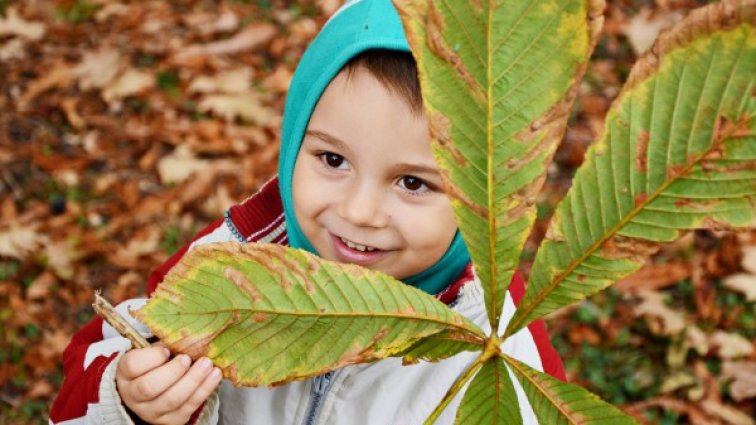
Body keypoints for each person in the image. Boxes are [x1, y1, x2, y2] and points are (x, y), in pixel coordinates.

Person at [49, 0, 565, 423]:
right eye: (333, 159)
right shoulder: (235, 258)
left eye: (413, 182)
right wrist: (131, 403)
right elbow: (88, 385)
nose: (360, 211)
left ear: (483, 196)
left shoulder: (501, 340)